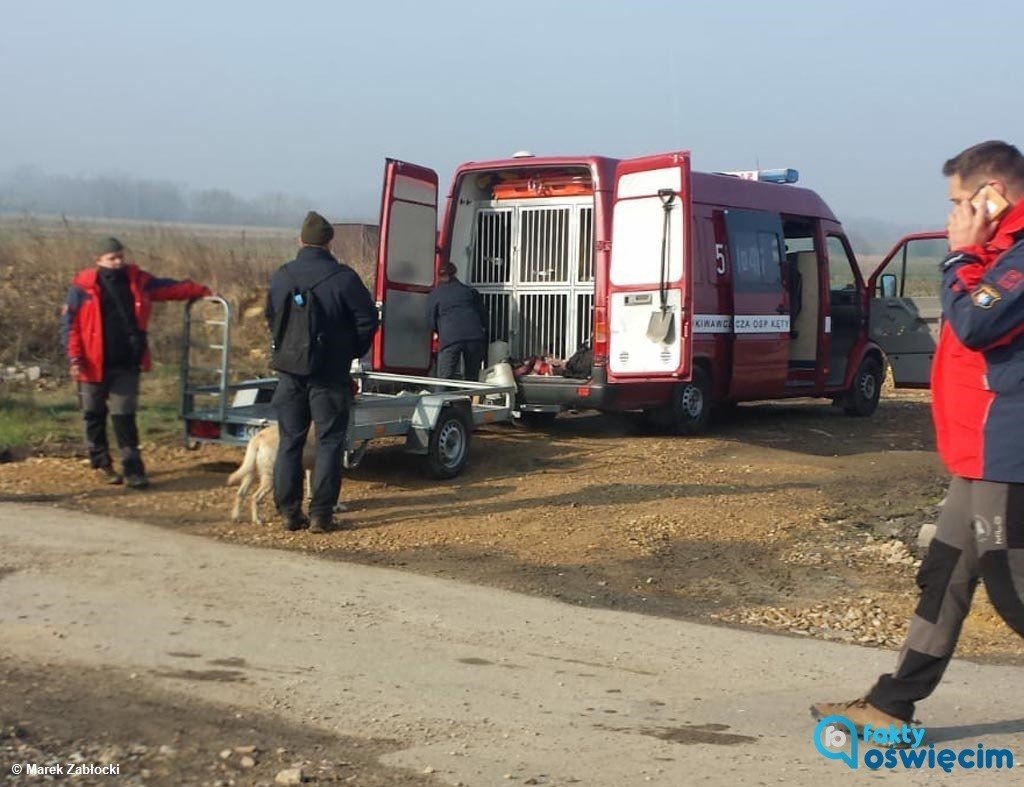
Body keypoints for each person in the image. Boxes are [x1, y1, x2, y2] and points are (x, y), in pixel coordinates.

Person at [812, 140, 1024, 731]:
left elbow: (978, 322)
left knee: (1012, 590)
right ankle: (891, 704)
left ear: (993, 195)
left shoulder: (1015, 255)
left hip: (1007, 449)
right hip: (978, 450)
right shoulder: (1001, 251)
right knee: (945, 574)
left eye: (960, 200)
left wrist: (960, 257)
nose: (954, 213)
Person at [60, 236, 210, 488]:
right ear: (98, 260)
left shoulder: (137, 281)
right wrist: (74, 357)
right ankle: (101, 463)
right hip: (91, 363)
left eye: (120, 256)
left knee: (124, 415)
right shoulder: (82, 289)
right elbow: (70, 326)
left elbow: (169, 288)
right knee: (94, 414)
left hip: (127, 361)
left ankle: (132, 467)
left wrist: (200, 291)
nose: (117, 262)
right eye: (112, 258)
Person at [265, 211, 378, 533]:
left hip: (289, 373)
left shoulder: (282, 275)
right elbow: (368, 320)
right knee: (329, 443)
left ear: (300, 240)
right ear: (330, 242)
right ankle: (321, 515)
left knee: (290, 442)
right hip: (330, 375)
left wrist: (285, 346)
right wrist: (351, 351)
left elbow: (271, 316)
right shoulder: (344, 278)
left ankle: (288, 512)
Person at [426, 262, 487, 380]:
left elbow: (431, 319)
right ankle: (471, 397)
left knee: (445, 378)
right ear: (455, 274)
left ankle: (442, 398)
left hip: (450, 337)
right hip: (474, 336)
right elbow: (482, 315)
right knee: (472, 377)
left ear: (439, 276)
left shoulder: (435, 294)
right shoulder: (469, 291)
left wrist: (438, 331)